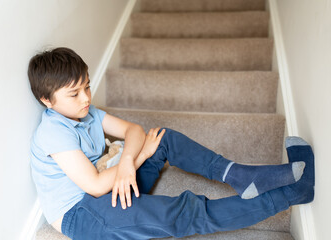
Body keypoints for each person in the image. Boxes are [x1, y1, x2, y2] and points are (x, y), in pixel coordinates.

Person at [28, 47, 315, 240]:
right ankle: (290, 195)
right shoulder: (53, 132)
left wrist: (127, 162)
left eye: (87, 86)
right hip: (83, 214)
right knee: (181, 213)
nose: (86, 98)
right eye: (74, 93)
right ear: (46, 101)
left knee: (161, 137)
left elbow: (134, 130)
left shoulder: (86, 112)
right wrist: (137, 160)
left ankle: (239, 175)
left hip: (113, 182)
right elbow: (95, 186)